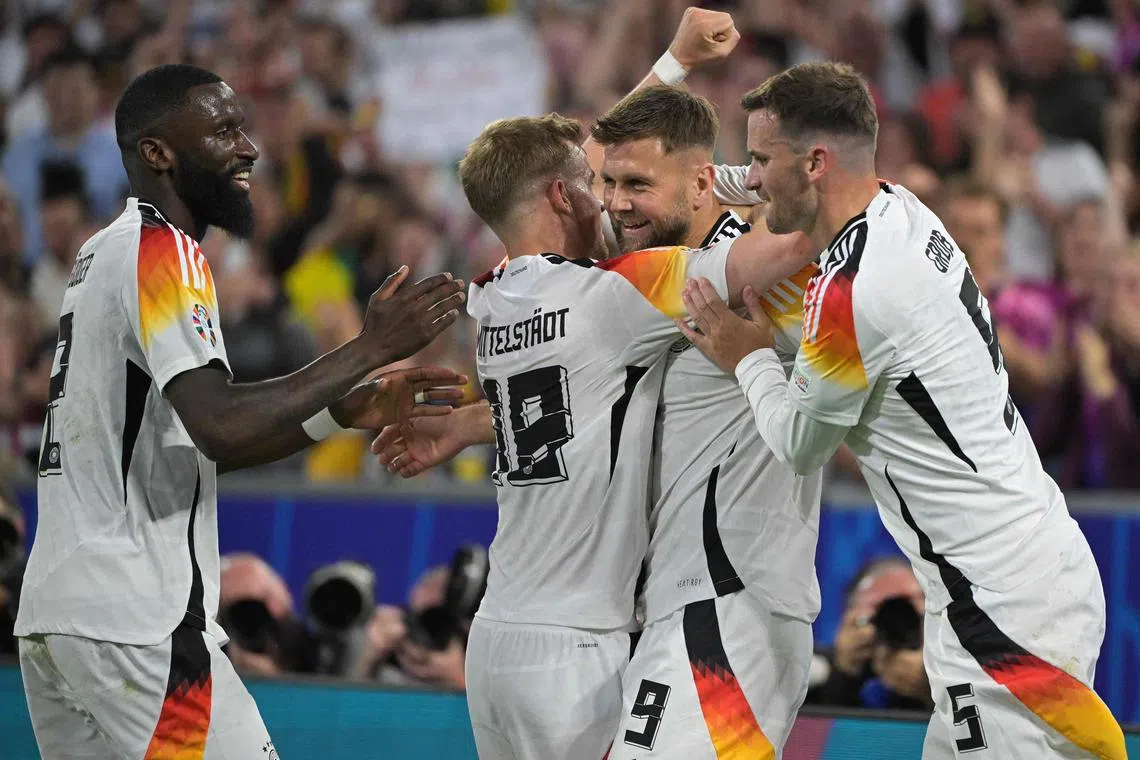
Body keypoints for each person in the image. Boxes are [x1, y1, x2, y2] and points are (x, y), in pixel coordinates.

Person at [375, 10, 820, 757]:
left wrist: (676, 62)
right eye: (599, 185)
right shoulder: (618, 292)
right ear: (566, 196)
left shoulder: (495, 299)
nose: (611, 199)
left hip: (545, 627)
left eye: (627, 184)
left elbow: (568, 394)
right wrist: (797, 180)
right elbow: (744, 238)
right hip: (596, 634)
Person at [13, 63, 467, 759]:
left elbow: (195, 439)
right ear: (158, 153)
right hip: (137, 617)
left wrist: (338, 413)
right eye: (224, 130)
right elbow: (218, 422)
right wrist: (368, 348)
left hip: (62, 617)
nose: (248, 148)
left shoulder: (102, 253)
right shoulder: (163, 252)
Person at [677, 61, 1126, 758]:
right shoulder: (903, 207)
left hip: (1000, 604)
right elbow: (770, 185)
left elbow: (801, 443)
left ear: (817, 162)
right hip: (1010, 570)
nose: (752, 177)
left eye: (761, 159)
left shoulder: (854, 292)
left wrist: (748, 356)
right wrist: (708, 180)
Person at [806, 556, 931, 711]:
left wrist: (932, 687)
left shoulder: (956, 669)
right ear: (850, 617)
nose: (899, 618)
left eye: (913, 606)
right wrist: (843, 674)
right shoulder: (812, 669)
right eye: (885, 607)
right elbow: (810, 732)